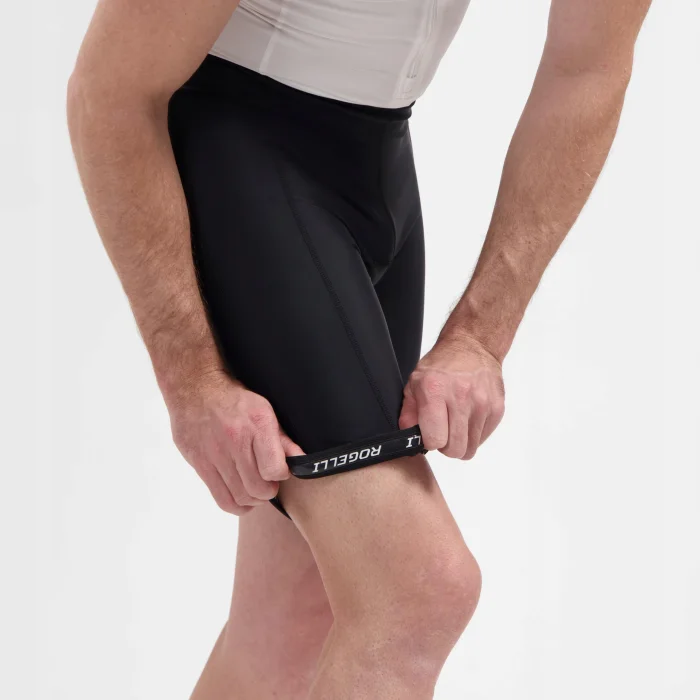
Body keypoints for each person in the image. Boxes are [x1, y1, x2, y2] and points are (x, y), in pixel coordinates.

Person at [66, 0, 652, 696]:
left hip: (379, 162)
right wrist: (190, 377)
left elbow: (587, 68)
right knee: (417, 593)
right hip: (242, 155)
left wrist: (481, 336)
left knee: (289, 627)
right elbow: (109, 93)